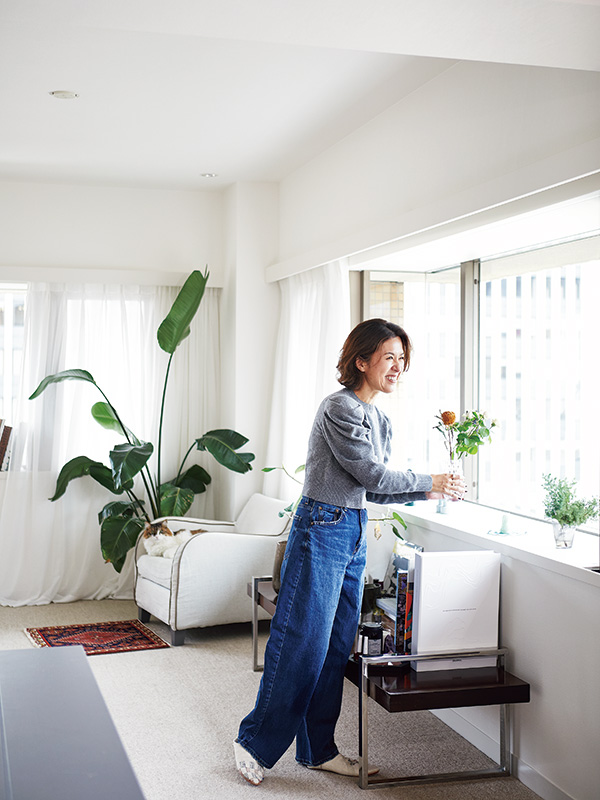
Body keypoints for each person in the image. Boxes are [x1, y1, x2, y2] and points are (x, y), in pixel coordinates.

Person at [234, 318, 465, 785]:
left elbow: (374, 492)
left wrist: (429, 491)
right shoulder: (339, 408)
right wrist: (431, 483)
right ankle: (254, 741)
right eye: (388, 357)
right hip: (321, 528)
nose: (397, 367)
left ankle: (318, 750)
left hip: (354, 528)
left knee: (337, 648)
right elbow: (375, 477)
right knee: (303, 642)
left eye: (402, 359)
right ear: (361, 361)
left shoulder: (379, 418)